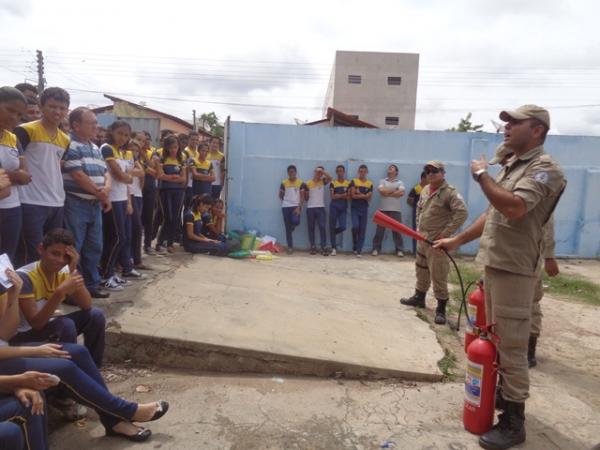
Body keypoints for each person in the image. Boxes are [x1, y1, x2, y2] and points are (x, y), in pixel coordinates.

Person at [434, 105, 565, 449]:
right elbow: (493, 215)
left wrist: (481, 176)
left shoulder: (545, 169)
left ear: (537, 129)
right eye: (505, 123)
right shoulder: (512, 167)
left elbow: (514, 207)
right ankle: (501, 400)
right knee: (493, 340)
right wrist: (457, 239)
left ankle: (513, 422)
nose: (505, 128)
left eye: (514, 123)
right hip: (495, 264)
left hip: (516, 269)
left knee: (512, 346)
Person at [0, 269, 170, 442]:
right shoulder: (28, 273)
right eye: (56, 254)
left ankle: (113, 420)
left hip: (7, 349)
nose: (60, 261)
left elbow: (5, 334)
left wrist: (13, 296)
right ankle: (124, 411)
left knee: (78, 351)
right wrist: (37, 350)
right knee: (64, 366)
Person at [489, 144, 559, 369]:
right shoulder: (508, 183)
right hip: (505, 256)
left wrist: (549, 256)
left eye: (504, 161)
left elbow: (546, 224)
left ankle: (529, 347)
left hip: (528, 256)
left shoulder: (536, 178)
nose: (502, 166)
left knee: (530, 303)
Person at [10, 229, 107, 369]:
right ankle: (68, 370)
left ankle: (92, 368)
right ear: (41, 249)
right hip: (20, 338)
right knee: (65, 324)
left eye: (66, 256)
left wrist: (73, 269)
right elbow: (36, 323)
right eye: (55, 254)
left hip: (43, 328)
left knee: (95, 315)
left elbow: (87, 305)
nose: (60, 260)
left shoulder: (64, 270)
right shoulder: (25, 276)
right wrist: (59, 293)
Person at [400, 160, 467, 324]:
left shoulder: (449, 193)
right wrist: (417, 228)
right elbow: (419, 209)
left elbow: (462, 213)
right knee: (421, 268)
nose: (430, 174)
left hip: (436, 242)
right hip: (422, 238)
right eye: (427, 171)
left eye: (434, 171)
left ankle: (441, 308)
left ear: (443, 173)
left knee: (438, 273)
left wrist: (445, 234)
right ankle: (419, 297)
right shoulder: (424, 190)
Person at [14, 87, 70, 266]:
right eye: (53, 106)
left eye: (62, 108)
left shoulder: (65, 139)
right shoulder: (25, 130)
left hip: (56, 202)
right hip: (30, 201)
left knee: (53, 254)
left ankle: (47, 292)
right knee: (31, 254)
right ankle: (27, 293)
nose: (57, 112)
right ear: (41, 106)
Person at [62, 107, 112, 299]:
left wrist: (105, 190)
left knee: (94, 246)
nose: (96, 127)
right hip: (76, 203)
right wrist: (101, 194)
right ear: (76, 125)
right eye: (91, 123)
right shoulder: (70, 144)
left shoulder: (94, 147)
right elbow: (77, 175)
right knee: (75, 248)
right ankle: (72, 291)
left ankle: (91, 285)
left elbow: (105, 172)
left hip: (94, 204)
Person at [100, 121, 142, 291]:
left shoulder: (122, 152)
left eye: (126, 135)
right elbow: (118, 176)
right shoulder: (106, 148)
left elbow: (127, 179)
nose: (123, 138)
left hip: (122, 200)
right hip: (111, 200)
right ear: (111, 131)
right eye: (120, 133)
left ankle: (111, 273)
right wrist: (129, 175)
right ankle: (105, 275)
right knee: (115, 238)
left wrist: (128, 201)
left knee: (122, 238)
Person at [0, 87, 30, 262]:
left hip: (12, 208)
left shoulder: (13, 138)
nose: (14, 117)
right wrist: (15, 176)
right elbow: (18, 176)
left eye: (19, 115)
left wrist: (10, 177)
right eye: (10, 110)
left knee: (6, 259)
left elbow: (24, 174)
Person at [156, 135, 186, 253]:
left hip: (179, 192)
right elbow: (159, 175)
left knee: (175, 218)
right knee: (167, 217)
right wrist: (173, 177)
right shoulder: (162, 159)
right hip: (165, 191)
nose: (173, 150)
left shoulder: (181, 160)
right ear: (166, 148)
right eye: (170, 148)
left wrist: (168, 177)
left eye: (175, 147)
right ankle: (159, 242)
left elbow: (183, 179)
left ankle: (170, 243)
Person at [371, 164, 406, 257]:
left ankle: (399, 250)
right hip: (383, 210)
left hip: (396, 210)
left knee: (397, 231)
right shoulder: (382, 181)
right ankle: (376, 248)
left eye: (392, 168)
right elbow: (382, 191)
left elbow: (401, 193)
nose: (390, 168)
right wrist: (394, 191)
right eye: (389, 168)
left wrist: (388, 193)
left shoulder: (400, 182)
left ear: (396, 172)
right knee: (379, 231)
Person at [140, 131, 160, 255]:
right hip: (137, 189)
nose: (145, 141)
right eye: (142, 140)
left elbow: (153, 168)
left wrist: (143, 154)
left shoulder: (153, 152)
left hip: (149, 188)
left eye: (147, 139)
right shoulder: (132, 151)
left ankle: (147, 245)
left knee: (148, 218)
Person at [305, 166, 332, 255]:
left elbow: (330, 178)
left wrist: (323, 172)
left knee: (322, 227)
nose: (319, 174)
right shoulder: (308, 183)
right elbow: (305, 196)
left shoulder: (322, 181)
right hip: (310, 208)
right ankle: (312, 246)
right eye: (317, 172)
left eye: (320, 173)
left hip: (320, 208)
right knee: (311, 228)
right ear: (314, 172)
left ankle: (323, 246)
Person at [279, 165, 305, 254]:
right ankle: (290, 247)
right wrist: (286, 200)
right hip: (285, 206)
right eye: (290, 172)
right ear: (288, 173)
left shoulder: (301, 183)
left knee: (296, 221)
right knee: (287, 228)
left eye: (293, 172)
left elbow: (302, 197)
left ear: (296, 172)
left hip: (295, 207)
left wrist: (299, 207)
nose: (291, 174)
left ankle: (292, 227)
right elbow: (280, 195)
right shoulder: (284, 183)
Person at [349, 165, 373, 257]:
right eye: (361, 171)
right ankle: (355, 243)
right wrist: (364, 195)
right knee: (355, 226)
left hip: (364, 208)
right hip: (355, 207)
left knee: (362, 229)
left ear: (367, 172)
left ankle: (359, 250)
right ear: (358, 172)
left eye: (364, 171)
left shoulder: (370, 184)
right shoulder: (354, 182)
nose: (362, 173)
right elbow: (353, 196)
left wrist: (360, 193)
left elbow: (369, 199)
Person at [328, 165, 350, 256]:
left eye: (341, 171)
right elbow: (332, 196)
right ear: (336, 172)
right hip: (334, 207)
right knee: (332, 226)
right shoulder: (333, 183)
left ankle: (333, 232)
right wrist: (343, 195)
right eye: (338, 171)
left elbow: (349, 197)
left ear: (344, 172)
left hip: (343, 207)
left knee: (343, 226)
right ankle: (334, 248)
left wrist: (339, 195)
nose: (340, 173)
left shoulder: (348, 183)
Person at [407, 171, 427, 254]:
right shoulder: (416, 188)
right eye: (427, 178)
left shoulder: (430, 188)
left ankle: (424, 252)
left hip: (427, 214)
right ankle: (416, 252)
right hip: (417, 213)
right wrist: (416, 207)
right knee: (416, 232)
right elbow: (409, 200)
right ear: (422, 178)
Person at [183, 131, 200, 211]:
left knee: (194, 207)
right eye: (193, 139)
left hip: (195, 184)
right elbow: (183, 167)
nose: (195, 142)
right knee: (186, 206)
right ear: (188, 140)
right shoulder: (185, 152)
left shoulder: (197, 153)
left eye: (196, 140)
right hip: (187, 184)